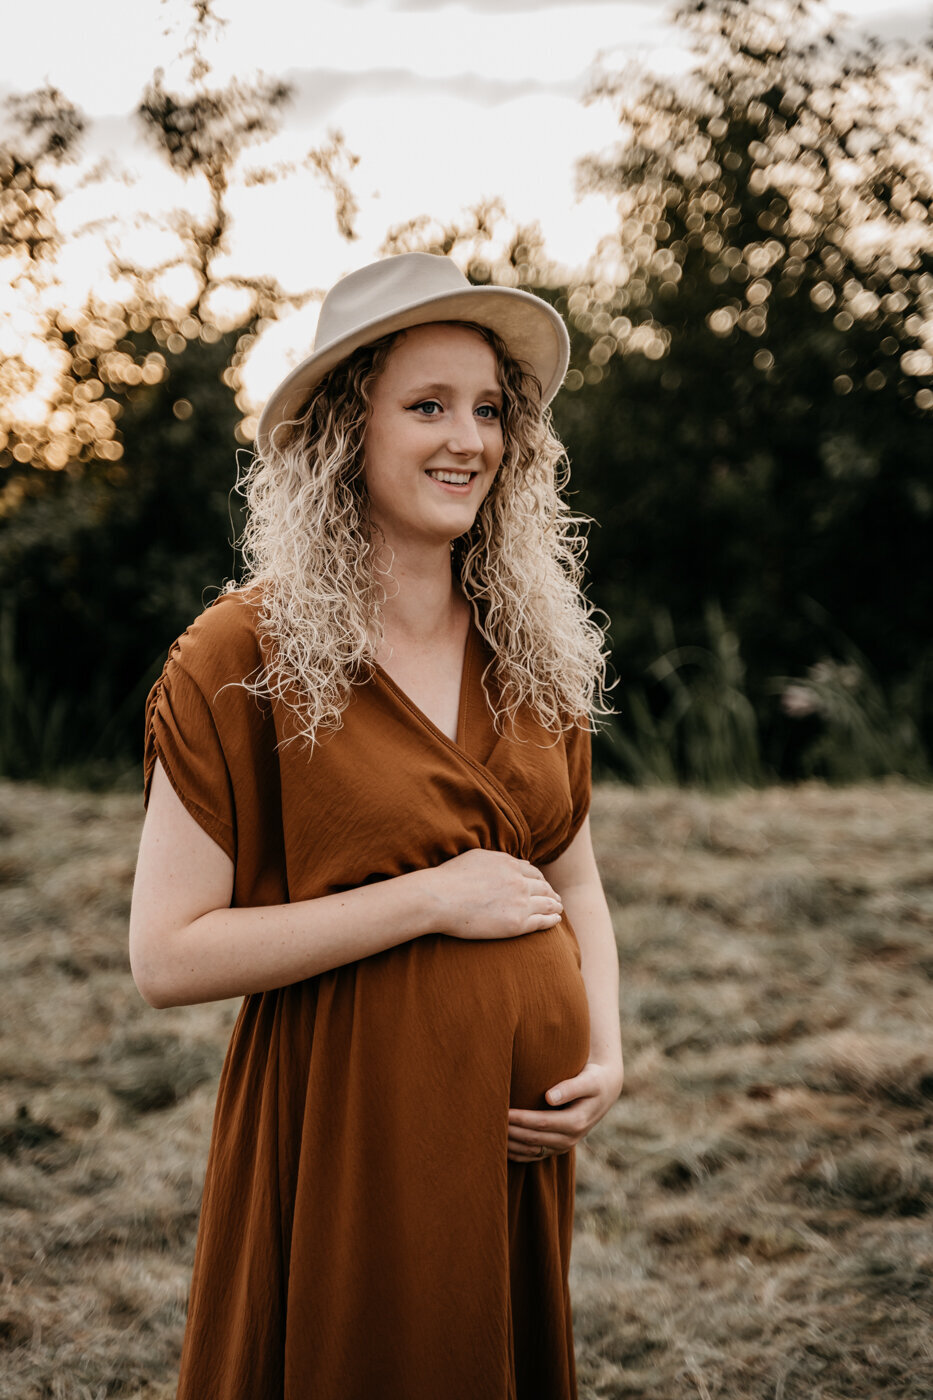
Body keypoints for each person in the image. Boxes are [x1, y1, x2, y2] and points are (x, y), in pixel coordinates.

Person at [129, 251, 623, 1400]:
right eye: (428, 406)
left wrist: (605, 1047)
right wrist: (430, 897)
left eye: (490, 409)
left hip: (509, 1156)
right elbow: (165, 953)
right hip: (345, 1138)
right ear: (347, 428)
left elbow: (576, 881)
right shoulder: (241, 655)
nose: (471, 439)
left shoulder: (532, 646)